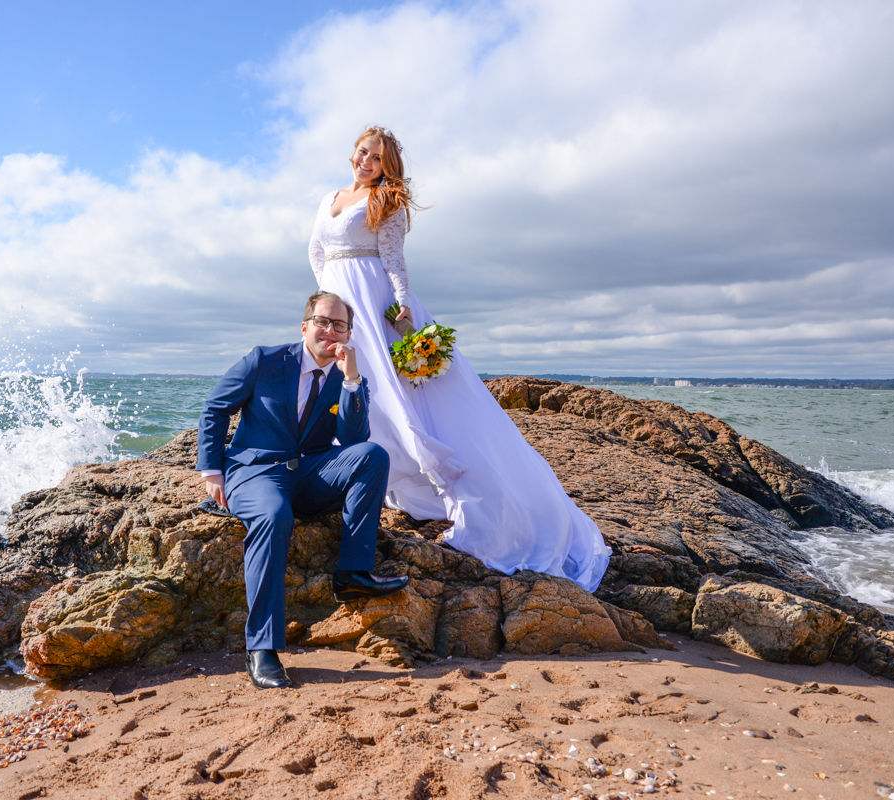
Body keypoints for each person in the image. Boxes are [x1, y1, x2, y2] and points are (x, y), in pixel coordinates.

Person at [307, 126, 611, 592]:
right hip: (340, 304)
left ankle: (465, 492)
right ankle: (362, 472)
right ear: (353, 152)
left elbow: (393, 259)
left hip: (373, 302)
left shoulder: (385, 200)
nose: (366, 161)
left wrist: (401, 303)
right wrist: (327, 299)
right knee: (348, 389)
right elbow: (316, 250)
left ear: (387, 166)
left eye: (377, 158)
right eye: (363, 152)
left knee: (398, 393)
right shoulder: (330, 197)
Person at [197, 291, 410, 690]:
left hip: (309, 472)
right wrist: (212, 471)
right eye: (322, 321)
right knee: (275, 515)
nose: (330, 330)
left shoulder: (348, 377)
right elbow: (215, 408)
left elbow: (353, 440)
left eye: (339, 325)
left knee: (372, 456)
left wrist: (351, 379)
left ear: (348, 334)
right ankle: (262, 647)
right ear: (305, 326)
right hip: (255, 471)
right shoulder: (264, 360)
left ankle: (352, 573)